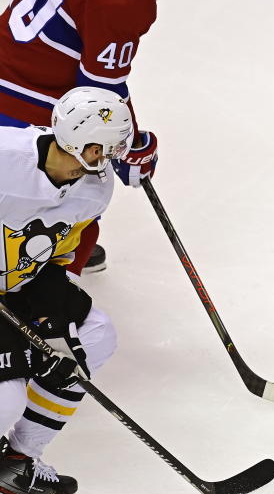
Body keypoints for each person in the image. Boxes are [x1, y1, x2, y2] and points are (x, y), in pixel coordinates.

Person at [0, 0, 188, 274]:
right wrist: (131, 147)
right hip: (29, 94)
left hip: (7, 49)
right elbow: (102, 92)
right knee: (81, 184)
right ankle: (43, 286)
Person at [0, 87, 131, 493]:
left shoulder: (96, 188)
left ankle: (15, 466)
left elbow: (53, 259)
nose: (104, 162)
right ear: (74, 138)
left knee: (92, 338)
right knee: (6, 400)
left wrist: (52, 319)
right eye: (98, 151)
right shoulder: (5, 156)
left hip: (16, 286)